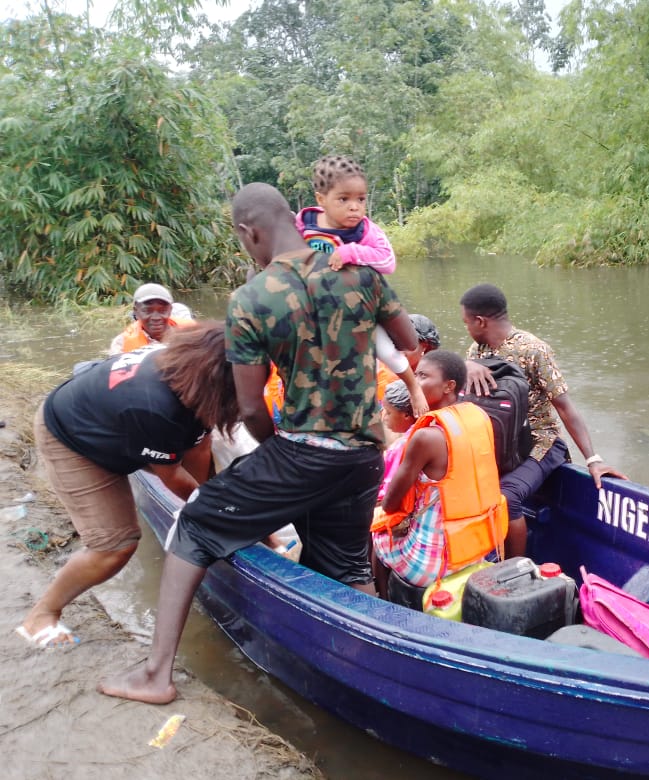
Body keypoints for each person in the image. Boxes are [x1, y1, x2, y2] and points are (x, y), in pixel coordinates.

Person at [99, 181, 418, 704]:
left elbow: (249, 408)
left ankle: (156, 675)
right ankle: (370, 683)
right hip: (365, 454)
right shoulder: (359, 273)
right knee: (347, 568)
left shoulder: (250, 298)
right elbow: (405, 343)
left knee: (198, 521)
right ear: (295, 216)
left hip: (302, 452)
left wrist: (280, 452)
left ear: (249, 232)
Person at [15, 322, 237, 649]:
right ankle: (41, 614)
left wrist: (224, 503)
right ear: (220, 375)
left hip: (118, 425)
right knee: (115, 545)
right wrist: (228, 514)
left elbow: (199, 449)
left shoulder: (189, 374)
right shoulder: (155, 404)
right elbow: (175, 478)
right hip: (74, 440)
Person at [460, 283, 627, 558]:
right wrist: (464, 366)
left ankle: (515, 572)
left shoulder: (533, 350)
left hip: (541, 443)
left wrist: (593, 459)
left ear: (480, 321)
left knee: (507, 497)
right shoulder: (476, 353)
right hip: (503, 445)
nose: (467, 329)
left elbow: (565, 407)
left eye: (467, 323)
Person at [289, 154, 426, 420]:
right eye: (344, 199)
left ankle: (413, 386)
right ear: (321, 200)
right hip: (317, 309)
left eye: (360, 200)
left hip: (358, 308)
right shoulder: (305, 225)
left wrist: (353, 251)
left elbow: (387, 261)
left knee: (387, 351)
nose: (354, 207)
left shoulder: (365, 231)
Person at [372, 350, 507, 592]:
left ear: (449, 386)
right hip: (476, 549)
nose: (413, 382)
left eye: (422, 376)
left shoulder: (425, 436)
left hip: (432, 564)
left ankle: (382, 599)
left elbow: (391, 504)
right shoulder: (477, 417)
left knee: (376, 533)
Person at [108, 283, 194, 355]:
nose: (156, 318)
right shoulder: (121, 344)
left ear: (170, 310)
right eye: (147, 311)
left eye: (162, 310)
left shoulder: (192, 335)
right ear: (136, 312)